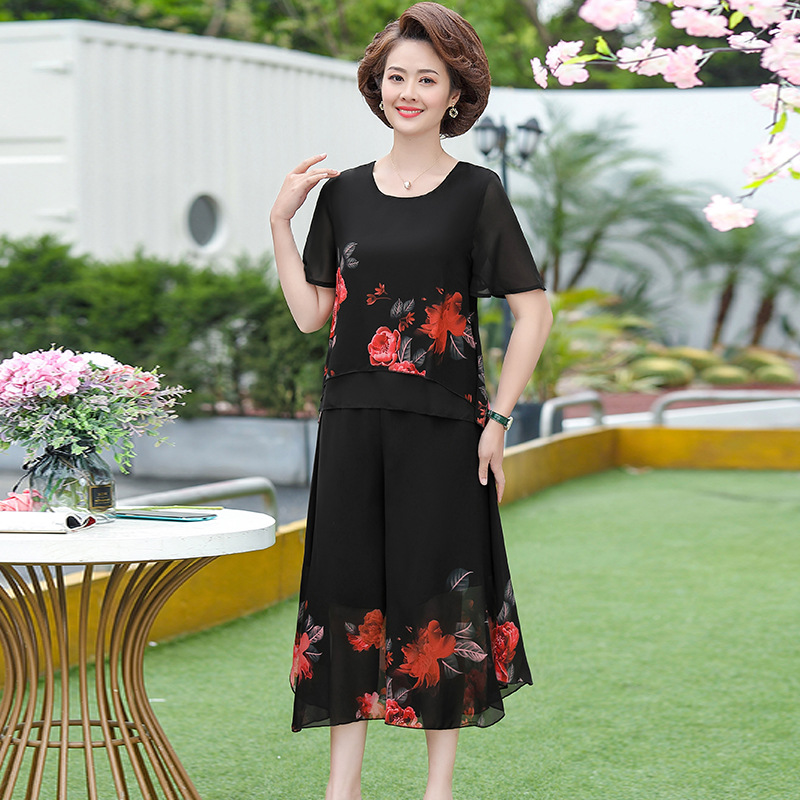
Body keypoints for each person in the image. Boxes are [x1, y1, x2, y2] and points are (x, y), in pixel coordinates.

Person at [270, 4, 552, 798]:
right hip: (351, 422)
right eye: (397, 76)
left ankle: (438, 789)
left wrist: (499, 420)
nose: (409, 92)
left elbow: (533, 309)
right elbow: (312, 314)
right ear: (378, 86)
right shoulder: (344, 195)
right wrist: (280, 221)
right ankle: (343, 788)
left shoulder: (477, 193)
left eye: (428, 79)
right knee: (344, 590)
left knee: (441, 595)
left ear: (455, 93)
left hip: (445, 427)